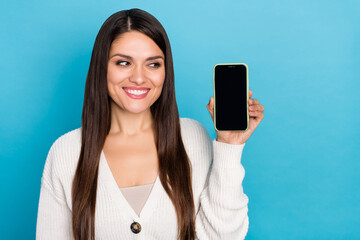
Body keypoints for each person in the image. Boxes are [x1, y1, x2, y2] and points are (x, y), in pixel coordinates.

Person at [36, 8, 264, 240]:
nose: (138, 77)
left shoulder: (192, 137)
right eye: (123, 63)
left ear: (166, 71)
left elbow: (223, 235)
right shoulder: (66, 152)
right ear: (101, 67)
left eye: (153, 64)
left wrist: (229, 146)